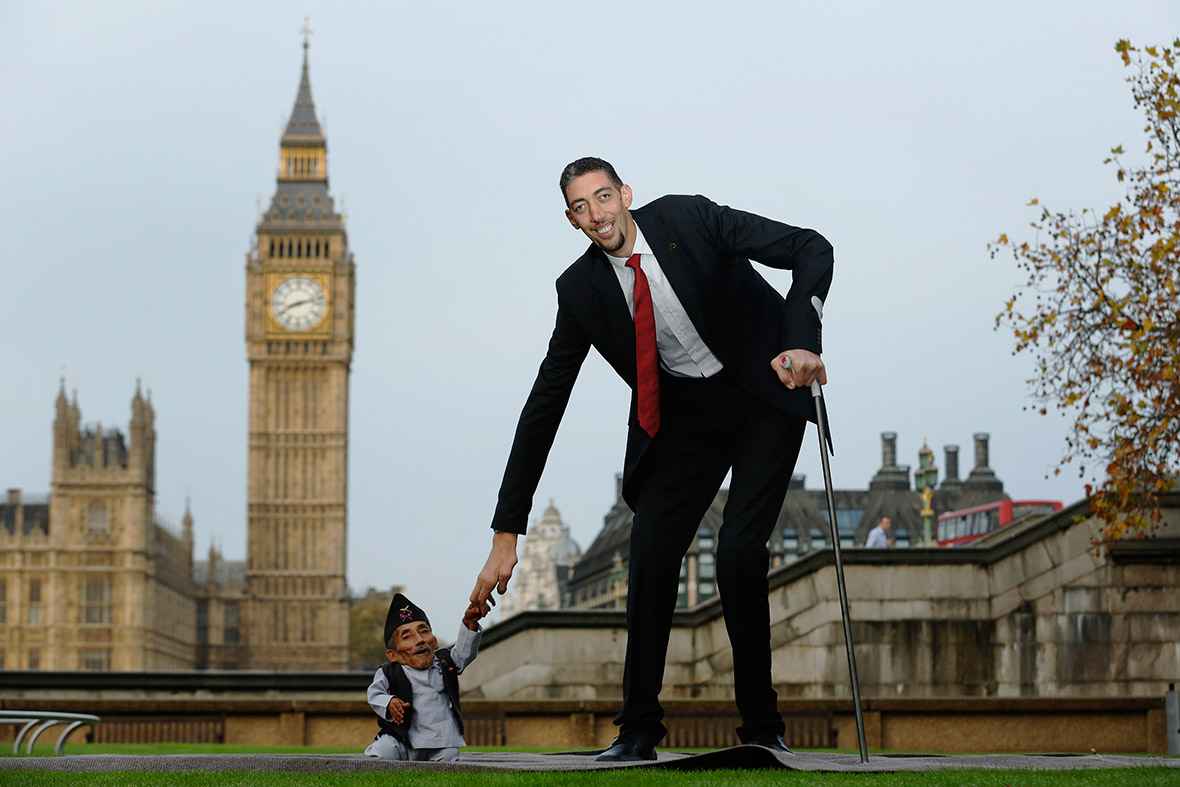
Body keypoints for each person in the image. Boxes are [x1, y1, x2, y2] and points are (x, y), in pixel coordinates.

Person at [470, 157, 833, 762]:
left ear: (625, 194)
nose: (598, 214)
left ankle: (763, 726)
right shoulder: (579, 290)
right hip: (684, 420)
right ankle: (637, 730)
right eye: (582, 208)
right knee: (650, 551)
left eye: (604, 197)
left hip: (762, 390)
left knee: (740, 550)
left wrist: (803, 339)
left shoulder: (689, 219)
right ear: (572, 220)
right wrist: (507, 531)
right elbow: (544, 405)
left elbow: (811, 247)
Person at [364, 593, 483, 762]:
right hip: (403, 739)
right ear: (393, 655)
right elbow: (374, 694)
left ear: (434, 641)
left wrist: (470, 625)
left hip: (440, 740)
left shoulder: (444, 661)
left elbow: (464, 653)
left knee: (449, 757)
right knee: (385, 751)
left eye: (424, 631)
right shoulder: (389, 672)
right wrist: (389, 702)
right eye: (407, 637)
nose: (419, 640)